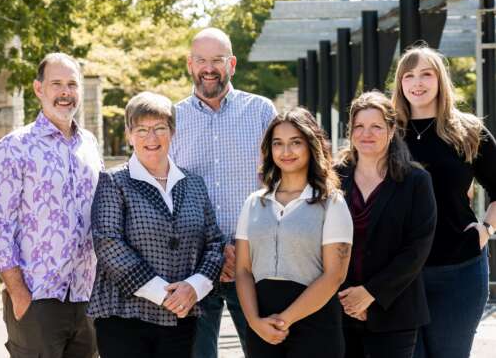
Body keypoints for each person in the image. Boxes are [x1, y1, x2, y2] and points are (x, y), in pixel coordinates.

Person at [86, 92, 224, 358]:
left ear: (172, 132)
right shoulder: (113, 182)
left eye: (160, 128)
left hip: (182, 316)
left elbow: (214, 244)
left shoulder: (194, 184)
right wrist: (166, 295)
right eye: (142, 129)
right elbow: (109, 245)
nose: (152, 138)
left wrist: (194, 287)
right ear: (129, 134)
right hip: (124, 317)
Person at [170, 27, 277, 357]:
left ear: (231, 63)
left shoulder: (261, 112)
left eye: (217, 59)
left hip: (255, 260)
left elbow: (281, 182)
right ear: (190, 64)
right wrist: (213, 251)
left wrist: (239, 248)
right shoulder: (171, 119)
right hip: (193, 263)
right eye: (201, 60)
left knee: (264, 350)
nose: (209, 67)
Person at [391, 46, 496, 358]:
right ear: (400, 83)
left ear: (440, 79)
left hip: (459, 270)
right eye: (408, 75)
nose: (417, 82)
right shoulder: (387, 132)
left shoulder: (468, 131)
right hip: (398, 272)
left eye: (426, 74)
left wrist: (486, 229)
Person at [0, 53, 102, 358]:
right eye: (57, 84)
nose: (65, 92)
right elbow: (0, 226)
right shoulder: (14, 147)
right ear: (39, 89)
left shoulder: (90, 146)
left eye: (72, 84)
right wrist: (19, 294)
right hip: (37, 298)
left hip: (86, 297)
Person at [235, 107, 353, 358]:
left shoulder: (331, 202)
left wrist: (284, 320)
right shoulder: (254, 203)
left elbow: (335, 275)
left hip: (315, 326)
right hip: (262, 326)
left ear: (311, 146)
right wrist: (255, 322)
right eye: (278, 143)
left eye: (295, 143)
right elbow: (243, 270)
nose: (286, 152)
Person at [335, 92, 436, 358]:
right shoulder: (333, 177)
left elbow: (418, 248)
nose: (366, 133)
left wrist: (370, 294)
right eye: (359, 126)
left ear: (392, 130)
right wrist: (349, 299)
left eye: (376, 126)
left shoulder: (416, 180)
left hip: (395, 311)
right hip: (338, 308)